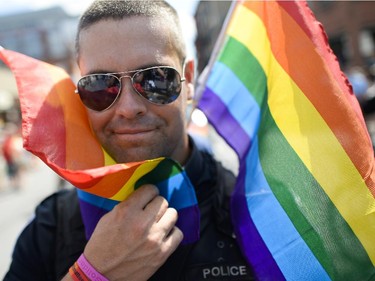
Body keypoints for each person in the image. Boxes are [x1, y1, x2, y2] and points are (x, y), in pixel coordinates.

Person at [4, 1, 253, 280]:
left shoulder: (255, 212)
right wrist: (92, 274)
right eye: (101, 84)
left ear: (189, 78)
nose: (127, 108)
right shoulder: (51, 226)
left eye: (155, 79)